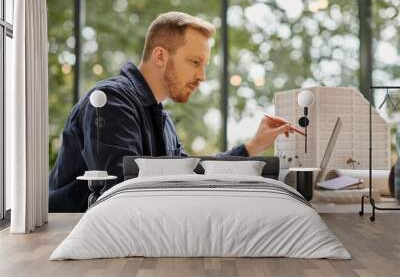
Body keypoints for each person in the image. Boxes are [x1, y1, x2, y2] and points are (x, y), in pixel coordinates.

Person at [49, 11, 293, 212]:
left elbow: (193, 173)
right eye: (195, 62)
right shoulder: (111, 102)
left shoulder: (160, 117)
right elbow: (123, 192)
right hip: (73, 231)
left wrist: (251, 147)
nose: (202, 76)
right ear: (160, 56)